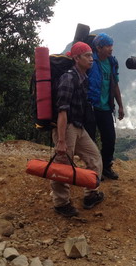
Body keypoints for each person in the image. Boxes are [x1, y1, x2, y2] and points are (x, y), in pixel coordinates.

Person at [52, 42, 105, 217]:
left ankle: (91, 194)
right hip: (66, 128)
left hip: (78, 126)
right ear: (76, 58)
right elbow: (62, 110)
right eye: (87, 56)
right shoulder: (68, 79)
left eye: (91, 55)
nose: (91, 59)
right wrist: (61, 140)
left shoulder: (84, 77)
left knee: (94, 157)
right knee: (63, 165)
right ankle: (61, 203)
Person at [88, 33, 124, 180]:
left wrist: (120, 106)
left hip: (106, 107)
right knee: (90, 141)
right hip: (90, 107)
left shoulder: (112, 62)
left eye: (111, 45)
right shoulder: (90, 61)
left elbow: (115, 85)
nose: (111, 49)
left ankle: (106, 167)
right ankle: (93, 170)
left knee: (109, 139)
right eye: (108, 46)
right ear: (98, 47)